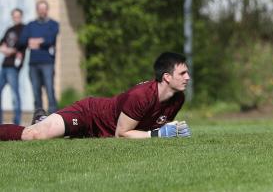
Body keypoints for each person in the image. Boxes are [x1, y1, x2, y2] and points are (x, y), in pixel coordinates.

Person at [0, 52, 191, 141]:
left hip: (98, 133)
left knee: (52, 135)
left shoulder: (177, 99)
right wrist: (157, 135)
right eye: (182, 73)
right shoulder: (141, 96)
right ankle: (40, 122)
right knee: (35, 135)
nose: (188, 78)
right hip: (88, 115)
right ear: (167, 77)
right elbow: (122, 134)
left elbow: (150, 124)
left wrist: (171, 129)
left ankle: (44, 119)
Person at [17, 0, 60, 114]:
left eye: (44, 8)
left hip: (47, 62)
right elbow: (22, 41)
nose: (42, 11)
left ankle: (54, 116)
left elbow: (50, 40)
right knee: (36, 92)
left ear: (47, 10)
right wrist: (40, 41)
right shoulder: (30, 25)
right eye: (39, 9)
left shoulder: (53, 24)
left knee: (49, 90)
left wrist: (34, 41)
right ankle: (39, 118)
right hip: (33, 63)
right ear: (37, 10)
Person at [0, 8, 25, 125]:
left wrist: (8, 50)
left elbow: (19, 46)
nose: (16, 18)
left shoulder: (24, 30)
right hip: (4, 65)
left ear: (21, 16)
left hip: (13, 67)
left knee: (15, 94)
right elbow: (1, 46)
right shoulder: (9, 29)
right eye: (14, 16)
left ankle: (16, 121)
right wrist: (7, 49)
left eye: (18, 16)